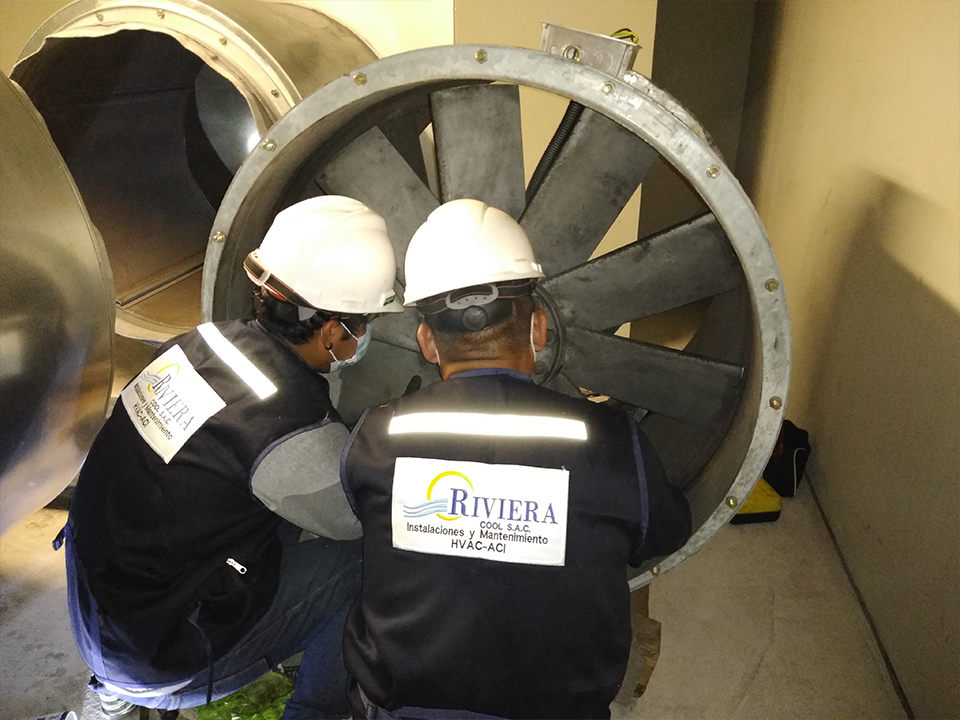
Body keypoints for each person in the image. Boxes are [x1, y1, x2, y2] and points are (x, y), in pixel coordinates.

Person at [340, 199, 692, 719]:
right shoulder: (614, 441)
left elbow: (360, 516)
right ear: (539, 329)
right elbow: (665, 534)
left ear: (427, 343)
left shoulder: (376, 433)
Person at [59, 196, 402, 718]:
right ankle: (317, 711)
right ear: (334, 332)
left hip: (104, 614)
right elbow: (354, 518)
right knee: (373, 555)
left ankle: (112, 696)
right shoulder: (285, 424)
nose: (363, 334)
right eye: (364, 322)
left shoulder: (197, 344)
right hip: (163, 658)